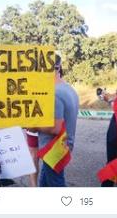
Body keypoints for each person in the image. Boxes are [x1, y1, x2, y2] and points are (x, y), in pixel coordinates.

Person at [34, 55, 79, 187]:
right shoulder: (69, 88)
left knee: (56, 185)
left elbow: (55, 128)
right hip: (61, 146)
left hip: (54, 148)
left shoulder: (54, 92)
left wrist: (33, 126)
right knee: (45, 184)